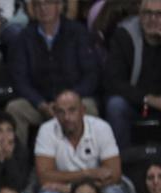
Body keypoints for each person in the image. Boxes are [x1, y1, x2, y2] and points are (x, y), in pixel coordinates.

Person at [34, 89, 129, 193]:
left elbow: (115, 174)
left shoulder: (101, 128)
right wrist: (88, 173)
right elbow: (44, 177)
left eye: (72, 110)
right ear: (55, 113)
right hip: (64, 192)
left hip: (94, 191)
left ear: (83, 110)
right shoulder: (46, 130)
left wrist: (74, 188)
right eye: (61, 112)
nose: (67, 117)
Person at [6, 0, 100, 148]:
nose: (43, 8)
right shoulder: (25, 37)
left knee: (90, 107)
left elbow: (91, 74)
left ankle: (87, 163)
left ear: (60, 6)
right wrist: (41, 104)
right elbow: (20, 79)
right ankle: (18, 166)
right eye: (38, 4)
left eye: (48, 3)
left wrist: (69, 101)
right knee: (14, 109)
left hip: (73, 99)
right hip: (41, 103)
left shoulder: (77, 32)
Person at [104, 0, 161, 151]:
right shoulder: (124, 35)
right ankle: (123, 166)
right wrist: (150, 100)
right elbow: (113, 82)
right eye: (147, 13)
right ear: (140, 15)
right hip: (135, 102)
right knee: (115, 105)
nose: (153, 19)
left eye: (159, 14)